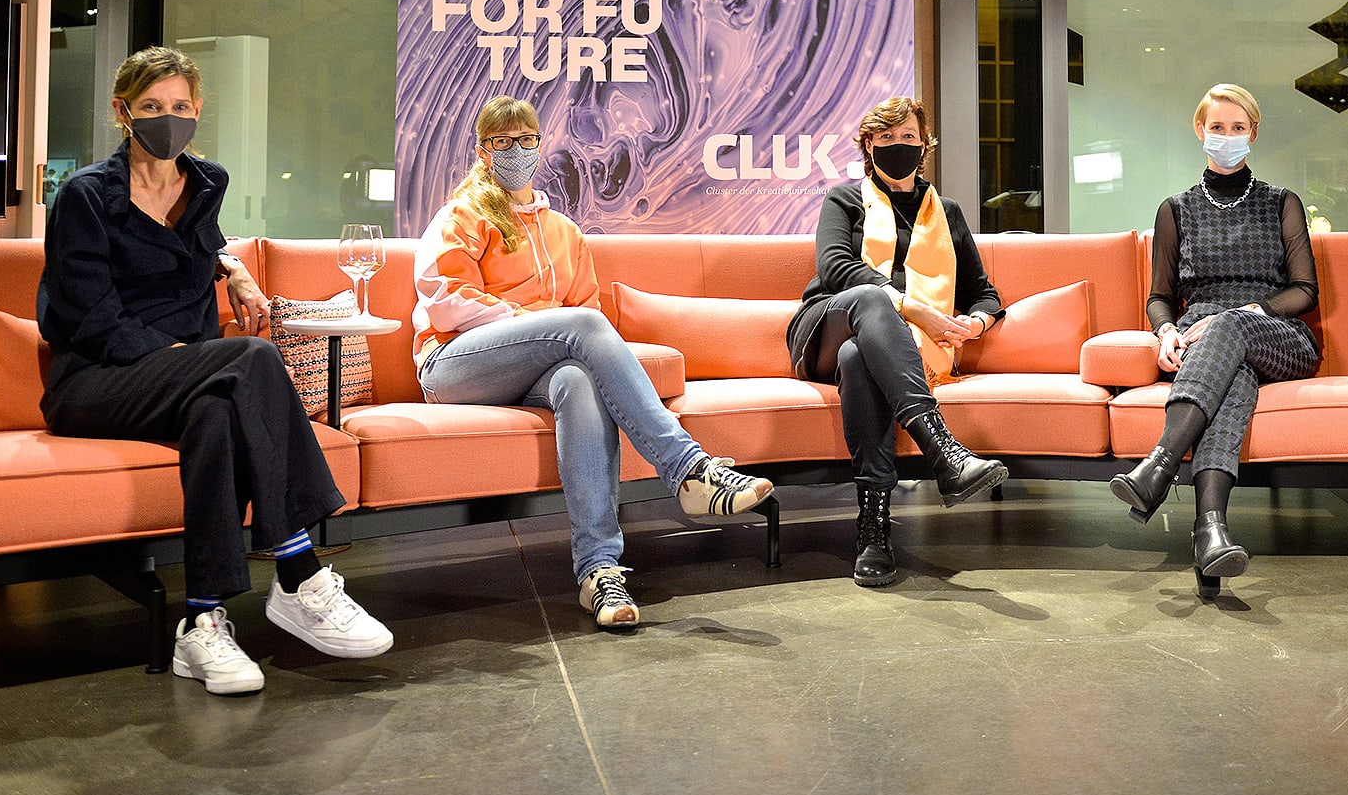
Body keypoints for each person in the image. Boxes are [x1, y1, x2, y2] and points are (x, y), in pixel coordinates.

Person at [39, 46, 392, 696]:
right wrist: (179, 359)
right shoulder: (85, 198)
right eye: (151, 108)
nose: (167, 119)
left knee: (216, 415)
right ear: (123, 112)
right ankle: (297, 567)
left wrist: (234, 270)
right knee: (251, 356)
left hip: (192, 380)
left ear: (197, 110)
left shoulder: (205, 185)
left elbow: (202, 244)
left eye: (179, 107)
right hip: (95, 380)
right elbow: (90, 320)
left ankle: (201, 623)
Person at [414, 96, 774, 630]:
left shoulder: (565, 232)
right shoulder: (461, 215)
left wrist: (550, 327)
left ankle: (598, 572)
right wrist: (532, 320)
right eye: (503, 142)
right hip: (455, 365)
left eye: (527, 140)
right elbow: (444, 298)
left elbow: (585, 314)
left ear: (541, 145)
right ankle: (689, 470)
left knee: (578, 380)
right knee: (578, 329)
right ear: (483, 151)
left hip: (533, 369)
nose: (517, 151)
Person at [1107, 84, 1321, 598]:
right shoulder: (1175, 209)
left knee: (1228, 329)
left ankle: (1160, 464)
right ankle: (1210, 530)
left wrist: (1246, 312)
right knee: (1233, 375)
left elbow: (1305, 290)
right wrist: (1165, 331)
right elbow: (1159, 296)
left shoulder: (1280, 202)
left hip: (1280, 335)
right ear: (1201, 131)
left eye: (1238, 128)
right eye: (1218, 127)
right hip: (1205, 343)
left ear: (1253, 134)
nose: (1227, 137)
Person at [787, 95, 1008, 587]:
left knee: (859, 357)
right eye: (886, 138)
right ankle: (944, 451)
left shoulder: (945, 212)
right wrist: (916, 310)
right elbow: (836, 269)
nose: (898, 146)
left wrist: (975, 323)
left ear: (924, 145)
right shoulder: (844, 199)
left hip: (875, 347)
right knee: (871, 298)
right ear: (868, 146)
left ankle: (873, 529)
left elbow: (984, 293)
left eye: (908, 137)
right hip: (824, 326)